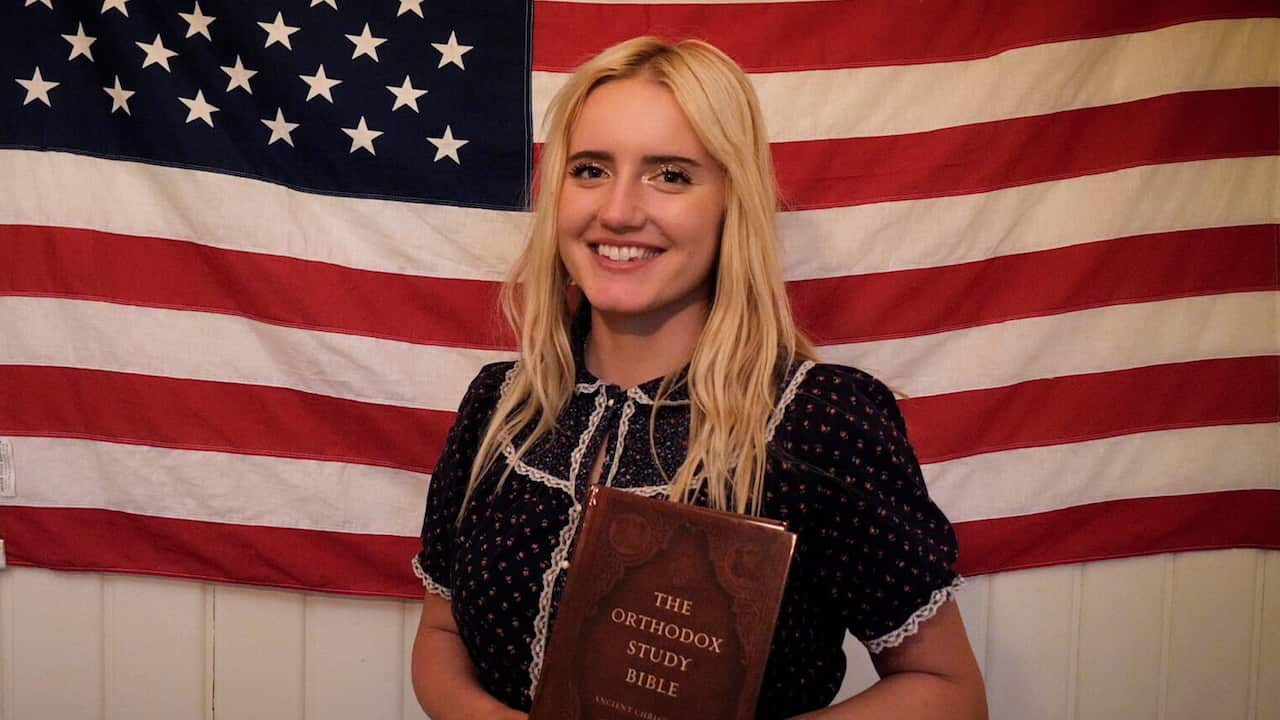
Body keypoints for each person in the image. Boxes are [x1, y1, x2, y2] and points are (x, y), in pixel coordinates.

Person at [410, 36, 987, 720]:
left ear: (731, 203)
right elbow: (441, 634)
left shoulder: (819, 420)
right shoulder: (501, 405)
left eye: (671, 175)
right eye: (590, 169)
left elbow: (947, 690)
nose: (618, 210)